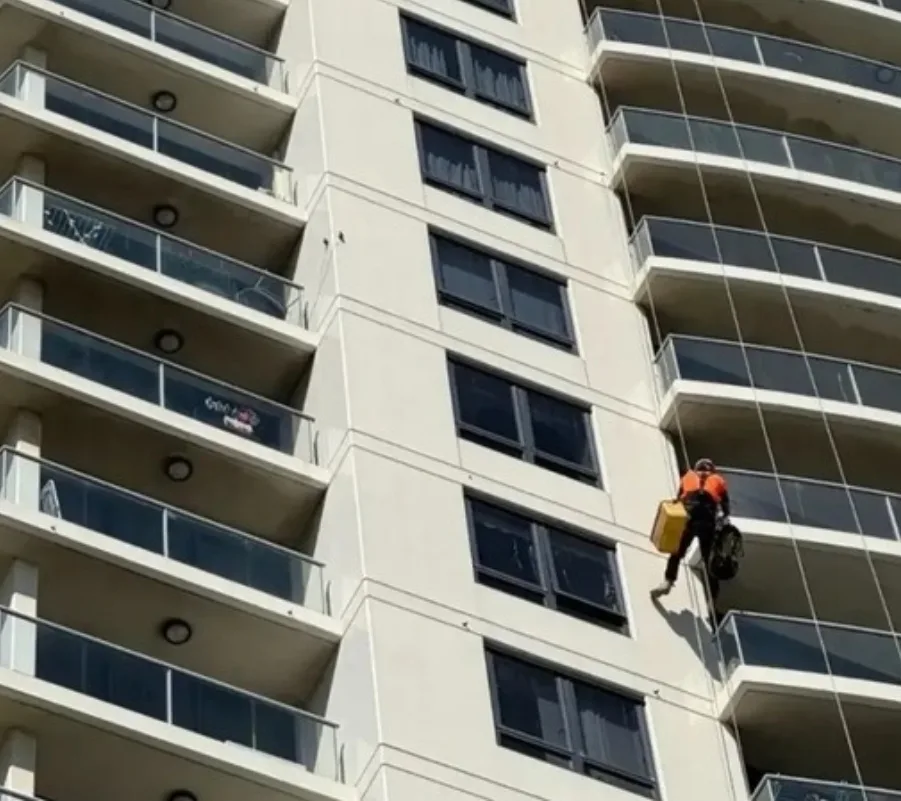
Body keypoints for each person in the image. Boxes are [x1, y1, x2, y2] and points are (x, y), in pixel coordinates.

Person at [651, 458, 730, 606]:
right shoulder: (718, 480)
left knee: (678, 553)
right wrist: (724, 517)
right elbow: (725, 505)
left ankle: (668, 581)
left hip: (692, 519)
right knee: (708, 560)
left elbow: (679, 497)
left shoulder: (689, 477)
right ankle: (712, 596)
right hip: (705, 521)